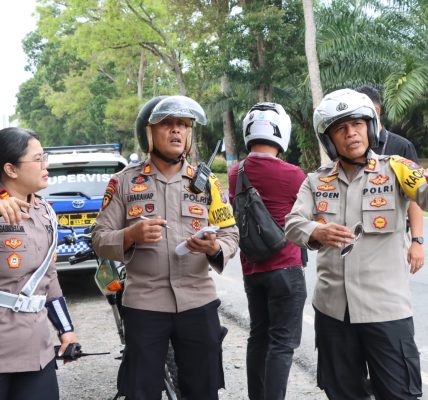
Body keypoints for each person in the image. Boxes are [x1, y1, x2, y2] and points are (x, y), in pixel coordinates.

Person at [284, 88, 428, 400]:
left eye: (357, 124)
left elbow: (424, 193)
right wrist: (316, 232)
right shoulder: (315, 181)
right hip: (334, 313)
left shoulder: (398, 169)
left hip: (387, 311)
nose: (351, 134)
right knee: (342, 393)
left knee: (399, 393)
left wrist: (418, 238)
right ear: (330, 138)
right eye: (341, 128)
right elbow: (292, 224)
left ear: (370, 127)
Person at [92, 95, 239, 400]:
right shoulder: (123, 183)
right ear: (148, 134)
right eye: (167, 124)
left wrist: (213, 247)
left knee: (204, 388)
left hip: (198, 302)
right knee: (141, 390)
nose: (176, 131)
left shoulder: (207, 183)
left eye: (183, 125)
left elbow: (230, 233)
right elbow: (99, 239)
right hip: (145, 305)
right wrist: (130, 235)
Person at [228, 102, 307, 400]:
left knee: (258, 336)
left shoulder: (237, 172)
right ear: (281, 131)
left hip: (252, 270)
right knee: (283, 342)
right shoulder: (292, 174)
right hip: (285, 267)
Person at [0, 127, 78, 400]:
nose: (46, 165)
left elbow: (49, 278)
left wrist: (66, 330)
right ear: (11, 169)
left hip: (36, 350)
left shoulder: (45, 212)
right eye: (37, 159)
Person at [355, 84, 424, 274]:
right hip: (356, 239)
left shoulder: (401, 146)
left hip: (393, 238)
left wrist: (417, 241)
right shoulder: (349, 148)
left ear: (376, 111)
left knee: (390, 297)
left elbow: (415, 196)